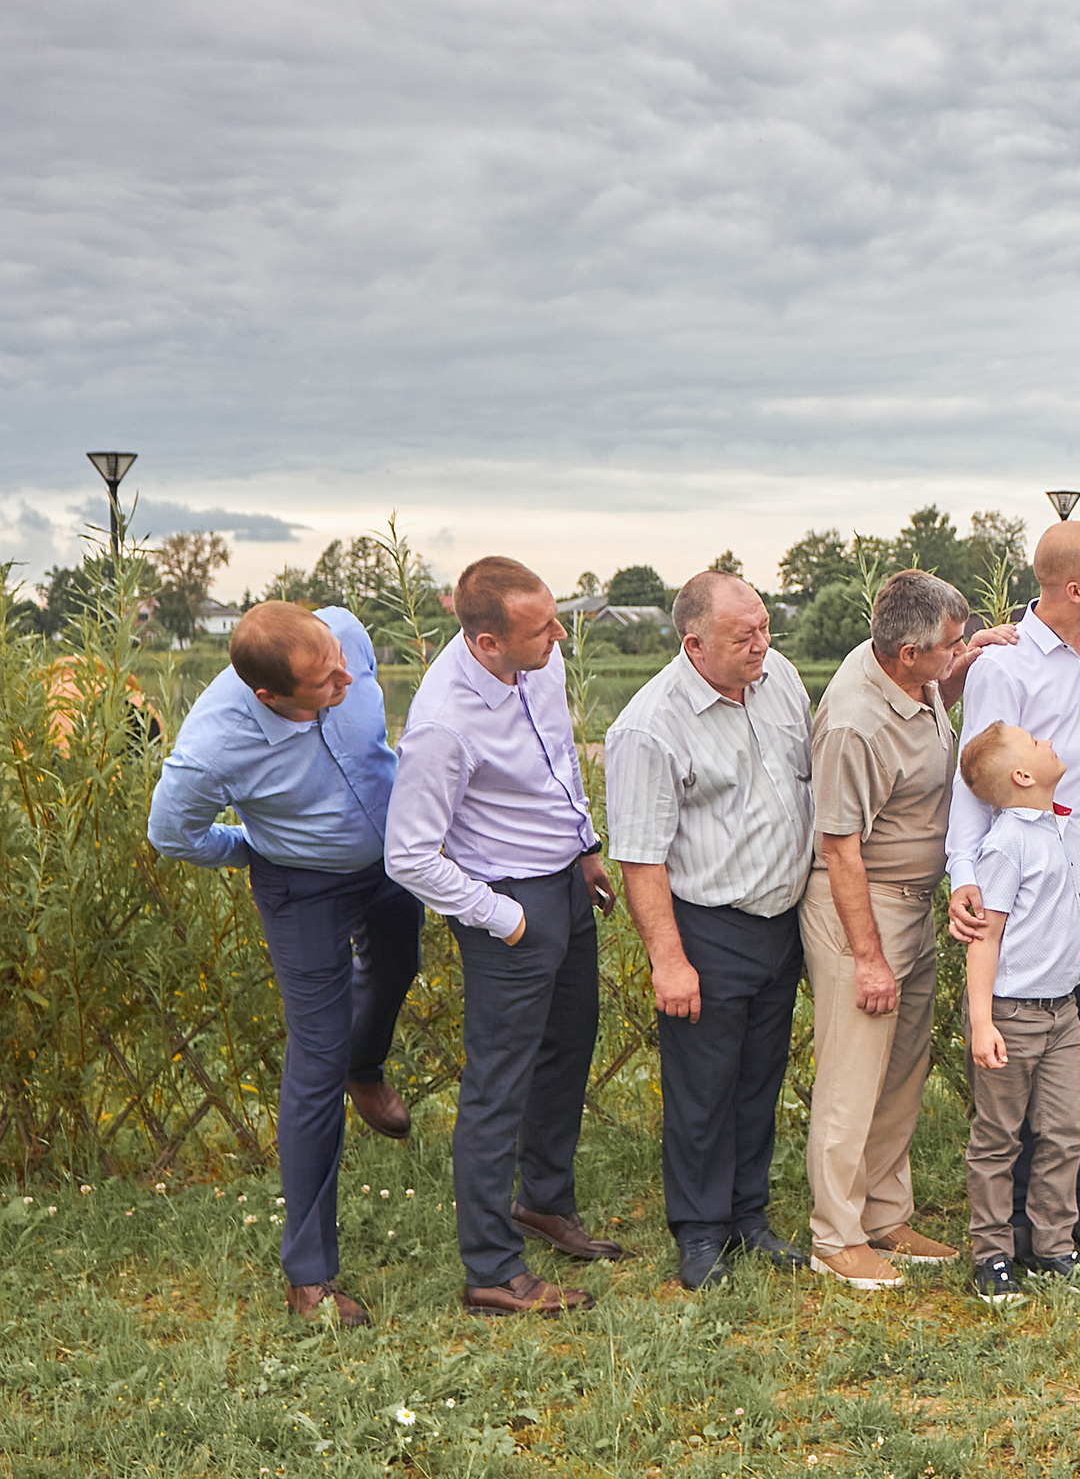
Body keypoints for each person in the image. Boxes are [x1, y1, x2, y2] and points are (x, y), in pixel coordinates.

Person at [147, 601, 419, 1327]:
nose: (345, 683)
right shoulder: (214, 747)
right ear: (270, 696)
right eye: (325, 685)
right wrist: (253, 849)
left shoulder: (344, 635)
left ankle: (367, 1066)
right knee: (315, 1060)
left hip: (392, 861)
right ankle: (309, 1278)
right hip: (303, 888)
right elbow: (172, 833)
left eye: (342, 666)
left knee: (399, 962)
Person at [386, 556, 624, 1318]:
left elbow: (559, 761)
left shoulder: (539, 663)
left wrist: (585, 847)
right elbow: (408, 856)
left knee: (568, 1049)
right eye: (543, 627)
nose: (561, 635)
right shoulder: (442, 724)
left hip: (564, 881)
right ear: (487, 642)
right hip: (507, 904)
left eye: (555, 618)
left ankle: (544, 1203)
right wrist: (503, 917)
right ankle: (491, 1270)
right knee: (498, 1087)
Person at [603, 571, 816, 1292]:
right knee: (703, 1089)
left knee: (759, 1079)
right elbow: (640, 857)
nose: (762, 644)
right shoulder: (649, 726)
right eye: (743, 636)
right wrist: (669, 960)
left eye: (764, 627)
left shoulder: (780, 679)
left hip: (779, 920)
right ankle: (699, 1233)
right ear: (694, 645)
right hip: (706, 927)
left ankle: (748, 1217)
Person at [801, 570, 1005, 1289]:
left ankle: (885, 1213)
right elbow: (839, 848)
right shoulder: (854, 723)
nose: (958, 653)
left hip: (914, 904)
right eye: (951, 646)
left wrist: (968, 663)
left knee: (899, 1073)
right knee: (853, 1077)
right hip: (863, 909)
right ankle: (835, 1236)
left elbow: (937, 705)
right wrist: (868, 958)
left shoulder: (913, 679)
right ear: (909, 652)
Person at [945, 520, 1080, 1258]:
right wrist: (965, 876)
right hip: (1022, 871)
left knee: (1079, 1037)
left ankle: (1065, 1213)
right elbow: (976, 776)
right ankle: (1014, 1224)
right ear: (1075, 588)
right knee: (1021, 1040)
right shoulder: (1005, 664)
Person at [956, 721, 1080, 1303]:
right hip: (1011, 1015)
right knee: (998, 1139)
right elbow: (986, 940)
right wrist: (982, 1022)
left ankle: (1055, 1245)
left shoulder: (1070, 831)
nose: (1048, 741)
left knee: (1065, 1133)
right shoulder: (1006, 844)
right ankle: (992, 1255)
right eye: (1034, 742)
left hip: (1064, 1016)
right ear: (1023, 776)